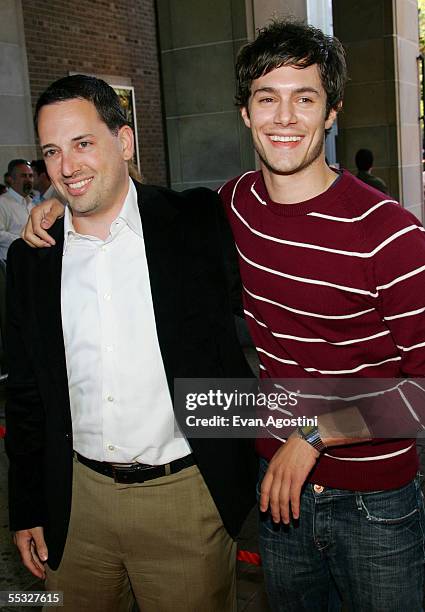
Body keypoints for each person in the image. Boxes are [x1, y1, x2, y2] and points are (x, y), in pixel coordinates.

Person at [23, 21, 425, 612]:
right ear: (246, 114)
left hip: (376, 502)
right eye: (268, 98)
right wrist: (62, 196)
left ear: (332, 112)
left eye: (304, 98)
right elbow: (124, 203)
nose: (284, 117)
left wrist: (313, 436)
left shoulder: (391, 234)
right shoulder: (228, 209)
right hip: (275, 496)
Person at [6, 75, 257, 612]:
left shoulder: (194, 223)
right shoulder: (32, 259)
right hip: (75, 506)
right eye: (52, 151)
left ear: (123, 142)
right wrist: (26, 505)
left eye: (82, 143)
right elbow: (27, 393)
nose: (67, 167)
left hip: (185, 501)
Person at [0, 159, 34, 261]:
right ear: (11, 179)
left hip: (32, 260)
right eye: (24, 176)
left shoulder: (32, 203)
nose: (28, 180)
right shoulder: (2, 202)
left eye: (31, 176)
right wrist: (25, 240)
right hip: (12, 262)